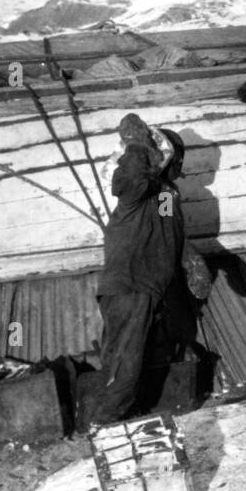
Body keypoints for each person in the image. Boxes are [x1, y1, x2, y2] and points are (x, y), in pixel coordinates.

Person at [89, 114, 186, 424]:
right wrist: (137, 146)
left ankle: (117, 414)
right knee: (125, 362)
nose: (182, 165)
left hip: (146, 288)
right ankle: (105, 423)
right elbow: (127, 181)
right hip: (131, 287)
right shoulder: (135, 191)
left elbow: (166, 229)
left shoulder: (163, 196)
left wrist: (191, 259)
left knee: (128, 358)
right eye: (178, 157)